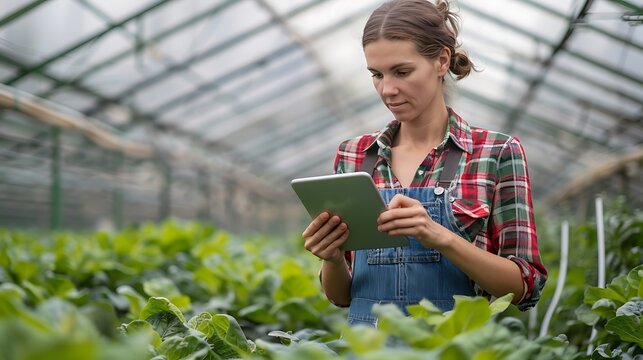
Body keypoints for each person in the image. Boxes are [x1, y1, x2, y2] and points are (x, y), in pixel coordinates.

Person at [302, 0, 547, 326]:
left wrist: (440, 236)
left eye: (402, 72)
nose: (388, 89)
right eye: (377, 74)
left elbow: (525, 287)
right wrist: (331, 258)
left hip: (454, 347)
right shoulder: (355, 155)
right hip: (368, 349)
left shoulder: (495, 152)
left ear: (441, 60)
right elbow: (342, 297)